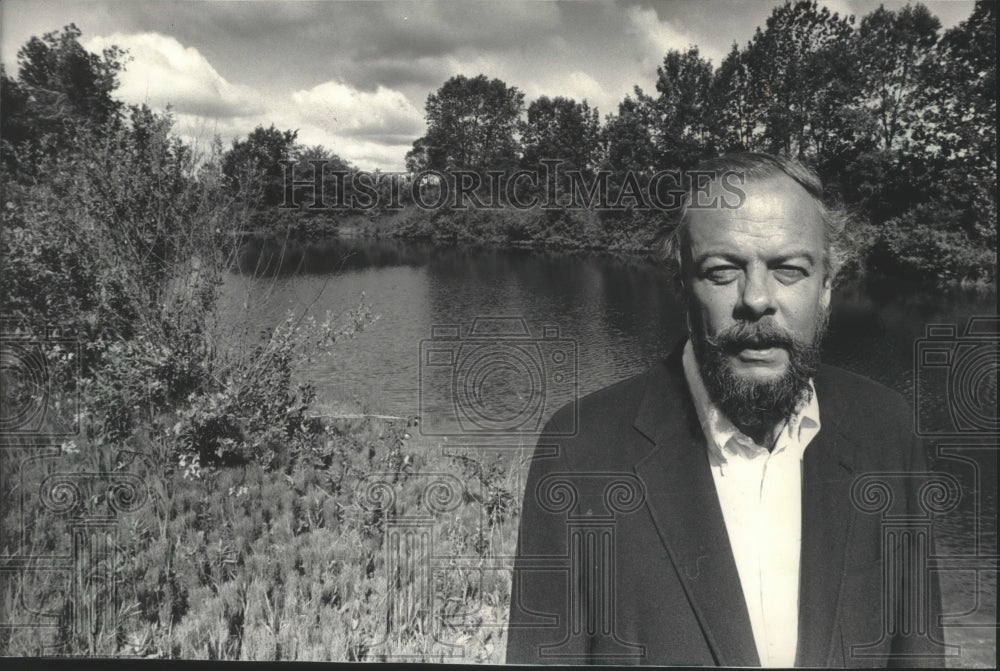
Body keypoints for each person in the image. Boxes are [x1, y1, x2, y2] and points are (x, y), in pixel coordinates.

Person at [506, 153, 946, 667]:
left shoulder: (886, 429)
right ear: (681, 285)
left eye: (789, 269)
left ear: (826, 286)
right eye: (721, 271)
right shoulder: (582, 451)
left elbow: (918, 652)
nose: (756, 299)